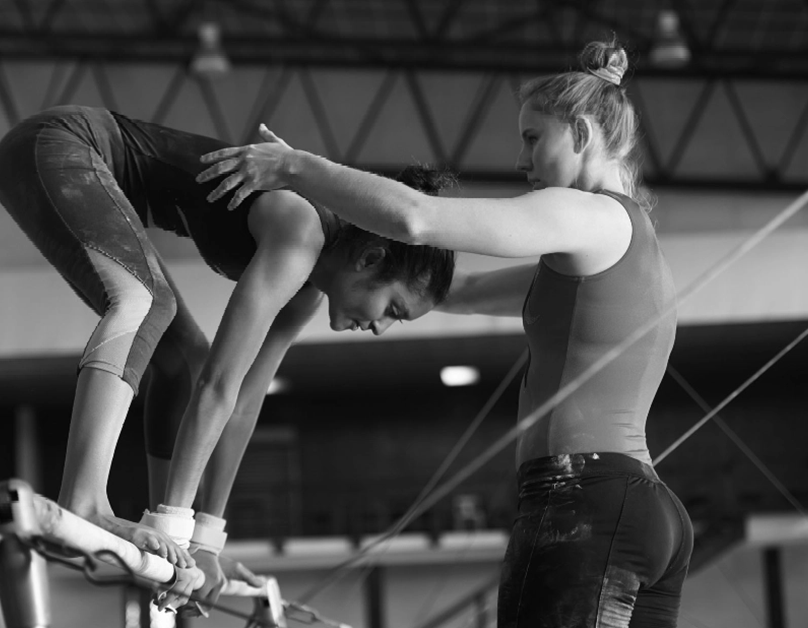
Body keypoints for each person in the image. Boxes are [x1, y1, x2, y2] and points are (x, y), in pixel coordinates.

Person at [197, 39, 694, 627]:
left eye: (534, 138)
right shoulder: (622, 250)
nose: (521, 160)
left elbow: (415, 218)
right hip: (647, 510)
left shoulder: (589, 215)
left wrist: (297, 167)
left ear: (583, 134)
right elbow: (446, 293)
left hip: (583, 500)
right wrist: (350, 270)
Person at [0, 105, 455, 608]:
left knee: (182, 357)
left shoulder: (304, 294)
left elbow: (244, 403)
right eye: (395, 310)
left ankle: (162, 528)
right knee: (146, 303)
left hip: (70, 159)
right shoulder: (301, 235)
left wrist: (202, 543)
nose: (381, 328)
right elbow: (220, 386)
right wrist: (176, 524)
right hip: (60, 144)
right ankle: (84, 499)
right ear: (370, 260)